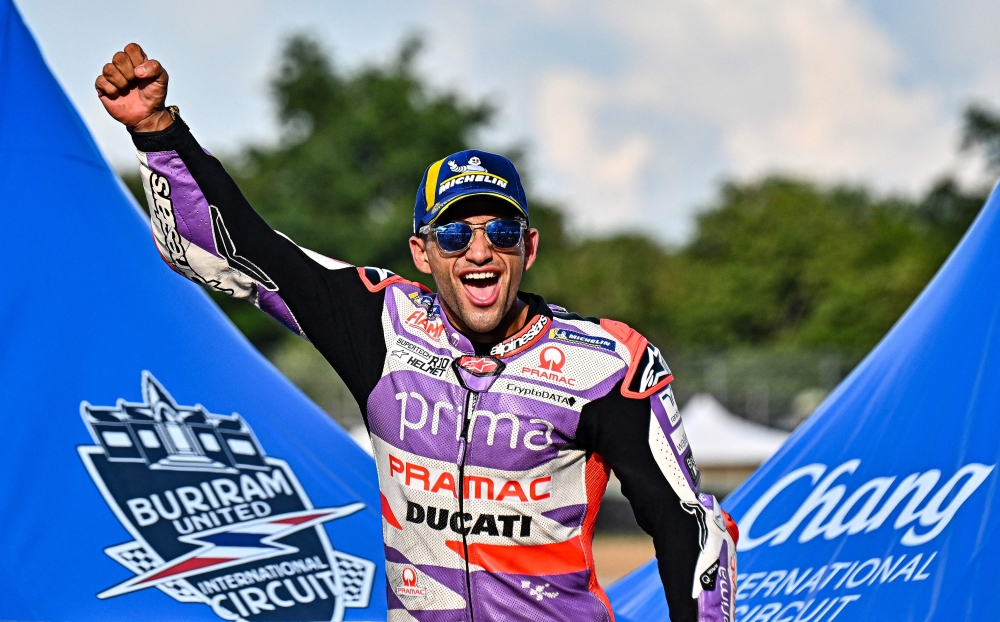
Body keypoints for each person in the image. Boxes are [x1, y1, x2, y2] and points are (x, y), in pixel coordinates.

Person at [96, 43, 738, 622]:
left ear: (530, 248)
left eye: (501, 232)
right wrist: (157, 132)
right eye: (454, 234)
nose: (480, 252)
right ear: (422, 253)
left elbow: (692, 528)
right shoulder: (382, 324)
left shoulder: (606, 361)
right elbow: (236, 249)